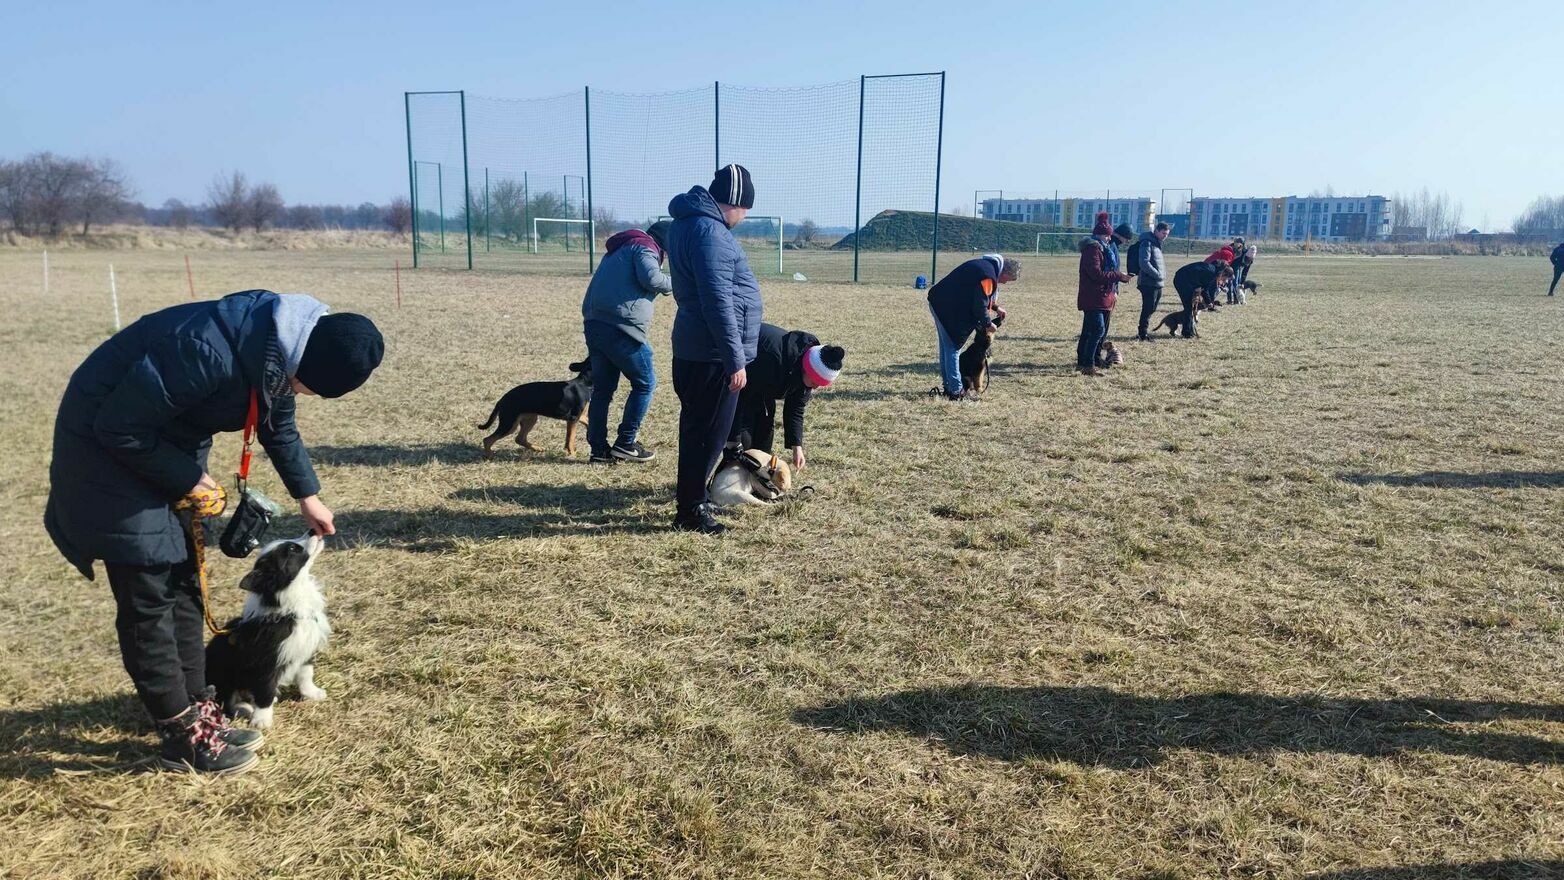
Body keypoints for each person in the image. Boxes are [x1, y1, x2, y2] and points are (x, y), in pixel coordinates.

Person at [44, 290, 383, 774]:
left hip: (162, 446)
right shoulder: (206, 350)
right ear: (302, 359)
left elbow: (277, 421)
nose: (301, 395)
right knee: (149, 593)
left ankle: (199, 705)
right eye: (306, 387)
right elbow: (119, 426)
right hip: (105, 455)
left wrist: (307, 494)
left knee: (185, 580)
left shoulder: (277, 349)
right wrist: (187, 477)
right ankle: (180, 734)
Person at [665, 163, 762, 535]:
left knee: (697, 430)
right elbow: (717, 300)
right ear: (734, 202)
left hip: (696, 348)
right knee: (707, 436)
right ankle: (690, 511)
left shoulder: (687, 224)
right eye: (745, 209)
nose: (744, 217)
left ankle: (692, 500)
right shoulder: (711, 233)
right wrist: (734, 359)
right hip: (711, 355)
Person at [581, 220, 673, 464]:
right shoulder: (645, 247)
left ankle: (598, 450)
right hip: (621, 328)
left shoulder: (621, 247)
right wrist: (678, 282)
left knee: (603, 390)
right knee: (645, 383)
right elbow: (652, 279)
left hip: (595, 323)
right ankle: (626, 443)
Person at [729, 323, 843, 472]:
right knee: (744, 446)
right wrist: (734, 438)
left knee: (764, 440)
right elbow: (739, 397)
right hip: (741, 381)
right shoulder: (773, 358)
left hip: (764, 389)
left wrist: (797, 446)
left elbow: (795, 408)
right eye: (815, 382)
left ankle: (757, 477)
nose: (815, 387)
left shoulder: (804, 371)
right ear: (808, 369)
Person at [927, 254, 1017, 399]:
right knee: (952, 348)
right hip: (946, 308)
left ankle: (949, 386)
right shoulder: (988, 276)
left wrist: (995, 307)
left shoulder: (987, 267)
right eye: (1008, 279)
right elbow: (980, 304)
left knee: (947, 348)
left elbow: (976, 294)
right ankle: (956, 391)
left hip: (939, 302)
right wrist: (988, 324)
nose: (1005, 283)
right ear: (1005, 272)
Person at [1077, 213, 1134, 376]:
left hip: (1102, 295)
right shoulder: (1092, 249)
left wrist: (1119, 279)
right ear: (1100, 235)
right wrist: (1118, 275)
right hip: (1093, 296)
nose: (1110, 238)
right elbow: (1096, 274)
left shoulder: (1103, 249)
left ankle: (1086, 361)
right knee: (1097, 330)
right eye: (1107, 236)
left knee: (1090, 330)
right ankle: (1089, 364)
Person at [1172, 259, 1232, 338]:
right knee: (1188, 307)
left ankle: (1189, 331)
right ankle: (1187, 333)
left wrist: (1208, 301)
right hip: (1182, 280)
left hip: (1184, 278)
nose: (1223, 280)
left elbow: (1203, 287)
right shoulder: (1211, 273)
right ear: (1223, 273)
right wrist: (1209, 302)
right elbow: (1205, 290)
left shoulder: (1212, 270)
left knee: (1190, 307)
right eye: (1224, 279)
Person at [1134, 221, 1171, 341]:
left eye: (1167, 234)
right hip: (1148, 283)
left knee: (1152, 308)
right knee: (1148, 308)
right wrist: (1157, 274)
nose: (1165, 236)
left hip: (1157, 282)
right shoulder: (1147, 243)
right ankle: (1142, 333)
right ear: (1156, 231)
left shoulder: (1156, 243)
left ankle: (1143, 332)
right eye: (1163, 233)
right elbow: (1144, 263)